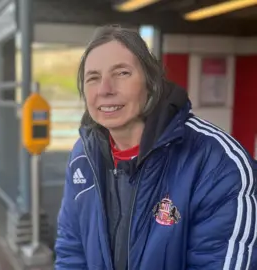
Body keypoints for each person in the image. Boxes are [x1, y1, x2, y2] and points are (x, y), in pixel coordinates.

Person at [54, 25, 257, 270]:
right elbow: (71, 249)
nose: (105, 89)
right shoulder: (83, 155)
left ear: (151, 83)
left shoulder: (218, 164)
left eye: (122, 73)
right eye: (93, 78)